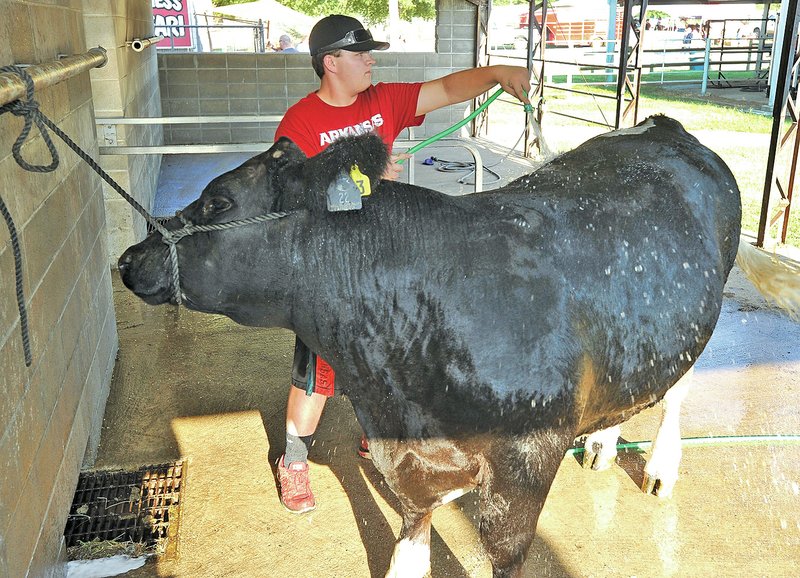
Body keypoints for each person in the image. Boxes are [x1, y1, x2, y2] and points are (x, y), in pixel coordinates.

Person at [271, 14, 531, 514]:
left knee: (396, 354)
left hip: (388, 259)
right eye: (360, 53)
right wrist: (352, 183)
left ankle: (379, 433)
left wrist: (497, 72)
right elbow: (288, 199)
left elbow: (450, 88)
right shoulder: (300, 124)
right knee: (317, 370)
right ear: (331, 63)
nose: (371, 60)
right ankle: (295, 462)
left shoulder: (382, 100)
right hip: (333, 269)